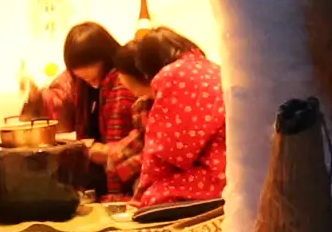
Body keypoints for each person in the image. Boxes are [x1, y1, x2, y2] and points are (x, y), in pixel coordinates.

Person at [23, 20, 144, 195]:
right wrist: (36, 99)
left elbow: (123, 147)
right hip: (103, 162)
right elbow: (58, 98)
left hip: (125, 168)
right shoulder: (77, 81)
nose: (89, 81)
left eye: (89, 70)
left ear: (104, 56)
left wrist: (115, 194)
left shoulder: (121, 82)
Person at [127, 27, 228, 210]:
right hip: (235, 168)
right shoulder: (213, 68)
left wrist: (142, 194)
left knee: (155, 197)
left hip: (218, 176)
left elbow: (166, 151)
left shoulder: (173, 75)